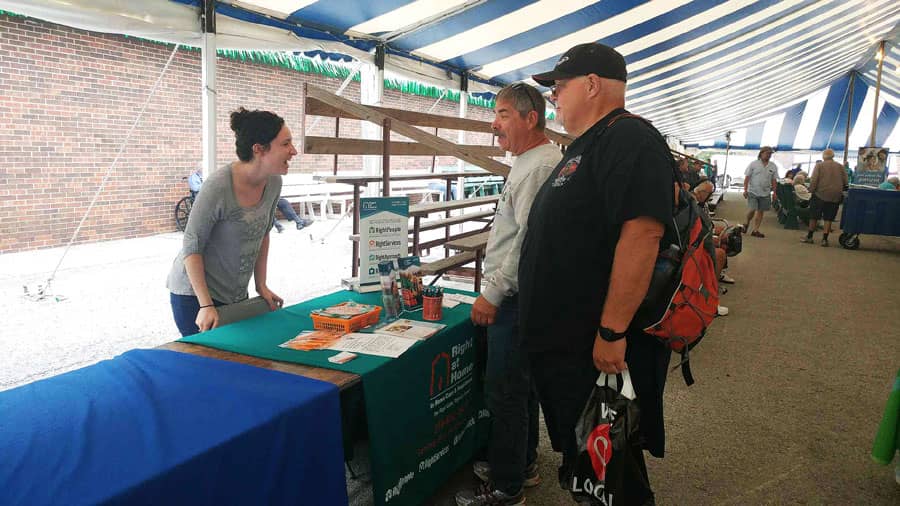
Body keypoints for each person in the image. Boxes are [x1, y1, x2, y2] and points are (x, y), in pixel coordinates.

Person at [520, 42, 674, 503]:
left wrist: (612, 330)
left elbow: (643, 235)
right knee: (591, 462)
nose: (554, 99)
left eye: (558, 88)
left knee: (610, 463)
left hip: (591, 345)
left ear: (591, 85)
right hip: (566, 345)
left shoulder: (629, 138)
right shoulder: (587, 144)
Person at [455, 83, 562, 506]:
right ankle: (521, 464)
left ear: (529, 118)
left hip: (515, 298)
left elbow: (527, 241)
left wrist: (493, 293)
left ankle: (505, 488)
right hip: (522, 295)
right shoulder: (532, 160)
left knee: (505, 391)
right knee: (522, 386)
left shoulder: (537, 165)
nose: (493, 123)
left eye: (501, 114)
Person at [166, 107, 295, 336]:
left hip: (234, 295)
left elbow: (263, 234)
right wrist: (206, 305)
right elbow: (192, 244)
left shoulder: (274, 182)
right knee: (209, 366)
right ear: (259, 150)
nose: (293, 151)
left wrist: (261, 285)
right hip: (194, 296)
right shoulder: (218, 186)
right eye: (285, 144)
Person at [802, 148, 848, 247]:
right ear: (833, 156)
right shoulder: (840, 166)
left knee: (814, 216)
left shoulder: (819, 166)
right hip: (835, 195)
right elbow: (846, 181)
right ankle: (824, 239)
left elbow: (814, 180)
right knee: (828, 217)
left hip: (820, 194)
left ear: (823, 156)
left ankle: (809, 237)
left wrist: (811, 190)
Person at [742, 146, 778, 238]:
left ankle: (756, 230)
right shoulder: (753, 164)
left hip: (765, 192)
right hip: (753, 191)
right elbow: (747, 177)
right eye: (767, 153)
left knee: (761, 211)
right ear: (761, 153)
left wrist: (774, 192)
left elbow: (774, 180)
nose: (769, 155)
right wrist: (745, 190)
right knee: (752, 209)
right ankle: (746, 223)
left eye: (770, 154)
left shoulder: (773, 166)